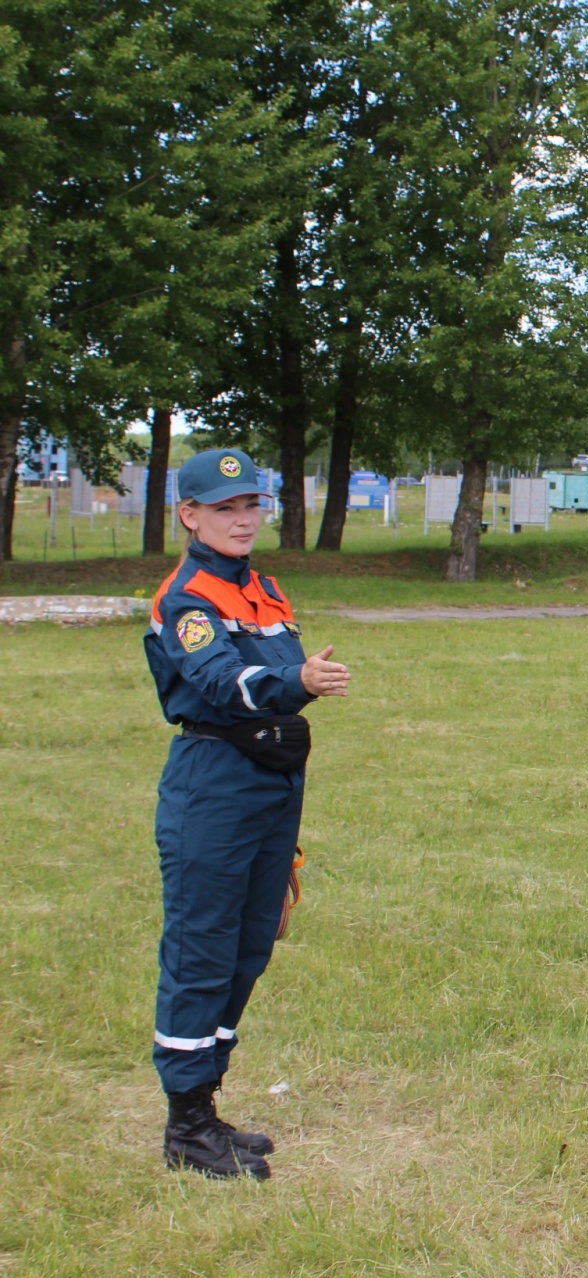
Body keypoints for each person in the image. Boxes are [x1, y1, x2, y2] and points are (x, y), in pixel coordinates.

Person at [143, 448, 350, 1179]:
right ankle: (185, 1124)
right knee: (202, 948)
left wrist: (294, 684)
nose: (241, 519)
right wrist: (297, 678)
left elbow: (276, 683)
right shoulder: (186, 598)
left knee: (249, 945)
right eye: (223, 507)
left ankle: (208, 1101)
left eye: (250, 505)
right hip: (215, 785)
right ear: (189, 515)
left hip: (270, 788)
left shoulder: (264, 587)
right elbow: (224, 681)